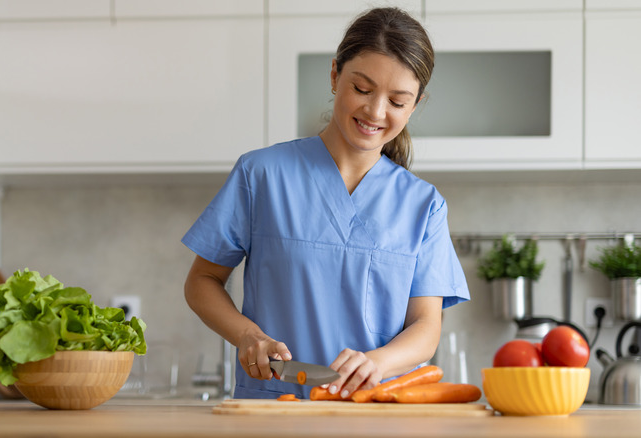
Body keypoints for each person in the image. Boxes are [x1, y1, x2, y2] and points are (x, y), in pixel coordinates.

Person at [182, 7, 469, 400]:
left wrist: (378, 364)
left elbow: (425, 328)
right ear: (335, 75)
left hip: (378, 415)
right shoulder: (261, 175)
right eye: (362, 89)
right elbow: (202, 282)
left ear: (415, 105)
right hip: (274, 411)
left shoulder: (424, 205)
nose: (375, 112)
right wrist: (248, 336)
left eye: (397, 101)